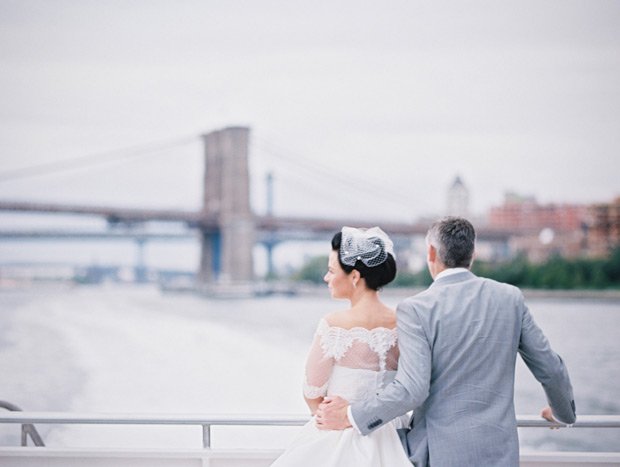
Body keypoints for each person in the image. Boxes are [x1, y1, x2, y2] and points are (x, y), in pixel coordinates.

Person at [317, 216, 577, 466]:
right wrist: (561, 413)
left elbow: (412, 390)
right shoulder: (511, 298)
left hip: (438, 455)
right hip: (500, 453)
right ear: (472, 256)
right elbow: (551, 368)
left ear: (430, 253)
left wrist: (350, 415)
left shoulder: (416, 309)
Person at [271, 226, 412, 467]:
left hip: (338, 438)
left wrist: (337, 418)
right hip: (394, 437)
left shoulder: (334, 325)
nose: (327, 278)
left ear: (355, 276)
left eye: (330, 271)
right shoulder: (404, 321)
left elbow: (313, 394)